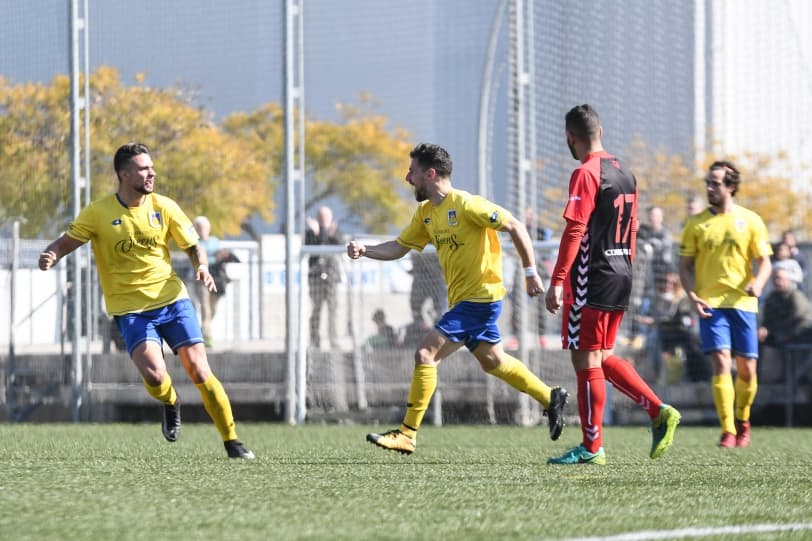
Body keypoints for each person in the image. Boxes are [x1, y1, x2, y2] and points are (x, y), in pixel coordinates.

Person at [347, 142, 568, 454]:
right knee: (494, 361)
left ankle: (407, 433)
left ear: (431, 173)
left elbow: (515, 226)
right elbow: (399, 247)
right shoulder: (426, 213)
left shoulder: (467, 205)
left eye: (413, 172)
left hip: (481, 298)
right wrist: (365, 250)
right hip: (465, 301)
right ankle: (550, 396)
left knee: (425, 353)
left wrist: (531, 272)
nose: (408, 178)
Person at [38, 143, 254, 459]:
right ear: (124, 174)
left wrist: (202, 267)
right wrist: (52, 254)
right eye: (143, 168)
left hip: (172, 300)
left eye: (151, 167)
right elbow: (66, 241)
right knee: (154, 374)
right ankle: (170, 401)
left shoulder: (164, 206)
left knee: (197, 368)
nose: (151, 173)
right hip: (130, 309)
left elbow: (193, 245)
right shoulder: (98, 212)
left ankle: (232, 441)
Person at [544, 104, 681, 466]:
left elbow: (575, 229)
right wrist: (625, 265)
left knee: (585, 358)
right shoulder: (624, 172)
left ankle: (592, 448)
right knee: (601, 357)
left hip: (592, 278)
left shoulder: (586, 173)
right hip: (621, 273)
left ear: (570, 138)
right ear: (600, 132)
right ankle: (656, 410)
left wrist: (558, 280)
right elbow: (633, 228)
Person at [678, 160, 772, 449]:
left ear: (731, 187)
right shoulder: (696, 224)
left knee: (747, 370)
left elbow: (765, 262)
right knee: (720, 361)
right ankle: (728, 430)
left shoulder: (752, 220)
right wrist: (692, 295)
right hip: (711, 303)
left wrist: (758, 283)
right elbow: (684, 266)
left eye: (715, 183)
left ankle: (743, 420)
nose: (709, 188)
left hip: (743, 303)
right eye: (707, 182)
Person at [306, 206, 343, 349]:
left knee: (333, 310)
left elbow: (339, 245)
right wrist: (319, 232)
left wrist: (326, 232)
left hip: (331, 277)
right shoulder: (310, 233)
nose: (323, 220)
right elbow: (315, 246)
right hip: (315, 277)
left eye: (326, 217)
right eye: (321, 217)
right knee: (316, 309)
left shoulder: (336, 231)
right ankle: (315, 340)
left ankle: (334, 340)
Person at [758, 267, 812, 347]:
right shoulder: (771, 298)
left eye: (780, 278)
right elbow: (768, 320)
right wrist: (764, 329)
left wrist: (776, 331)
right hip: (780, 335)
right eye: (775, 278)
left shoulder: (795, 296)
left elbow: (798, 317)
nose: (777, 281)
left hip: (800, 333)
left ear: (788, 280)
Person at [192, 216, 221, 347]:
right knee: (205, 308)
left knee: (213, 308)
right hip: (201, 280)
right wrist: (210, 259)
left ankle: (204, 328)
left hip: (216, 278)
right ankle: (207, 336)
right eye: (199, 227)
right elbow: (198, 258)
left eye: (203, 227)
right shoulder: (193, 242)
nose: (201, 230)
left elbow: (218, 256)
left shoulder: (215, 241)